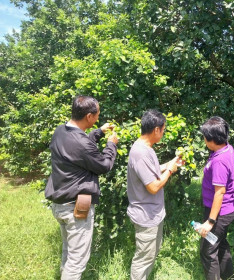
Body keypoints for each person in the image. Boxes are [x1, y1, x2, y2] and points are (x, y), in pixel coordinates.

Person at [45, 95, 118, 280]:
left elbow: (80, 145)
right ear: (89, 117)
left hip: (60, 204)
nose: (98, 117)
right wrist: (111, 144)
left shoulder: (60, 130)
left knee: (69, 252)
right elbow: (103, 165)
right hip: (75, 209)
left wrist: (99, 132)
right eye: (97, 114)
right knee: (77, 261)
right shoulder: (82, 143)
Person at [127, 109, 181, 280]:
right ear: (156, 129)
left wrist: (171, 163)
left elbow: (151, 172)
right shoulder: (141, 152)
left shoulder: (145, 148)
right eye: (163, 130)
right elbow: (153, 186)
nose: (163, 133)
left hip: (153, 213)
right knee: (143, 258)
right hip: (145, 215)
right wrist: (170, 171)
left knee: (151, 254)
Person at [197, 116, 234, 280]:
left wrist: (210, 221)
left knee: (208, 251)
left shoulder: (219, 161)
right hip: (226, 210)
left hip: (219, 214)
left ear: (211, 139)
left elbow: (219, 192)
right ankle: (229, 276)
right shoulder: (226, 149)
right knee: (219, 244)